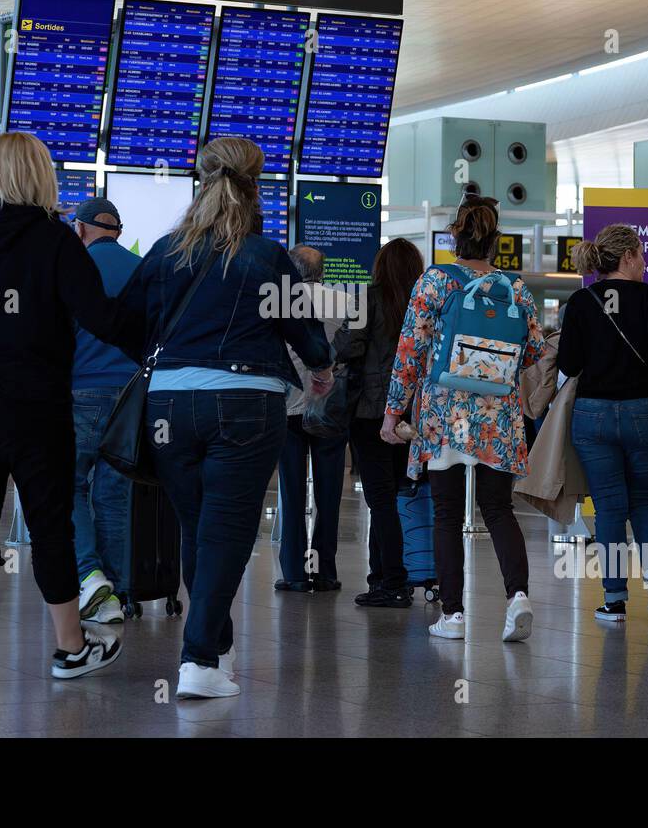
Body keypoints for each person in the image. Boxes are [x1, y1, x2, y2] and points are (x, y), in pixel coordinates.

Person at [118, 137, 332, 699]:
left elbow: (124, 321)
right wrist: (322, 369)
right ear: (256, 185)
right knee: (227, 533)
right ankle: (196, 661)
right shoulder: (265, 255)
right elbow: (305, 332)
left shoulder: (165, 251)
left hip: (168, 406)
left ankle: (216, 648)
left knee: (197, 528)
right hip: (244, 404)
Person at [0, 132, 139, 692]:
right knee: (50, 523)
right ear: (39, 175)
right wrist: (154, 334)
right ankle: (70, 649)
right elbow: (100, 316)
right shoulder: (54, 239)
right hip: (34, 401)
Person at [382, 195, 543, 643]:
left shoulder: (434, 282)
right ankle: (518, 598)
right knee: (499, 510)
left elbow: (409, 352)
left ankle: (452, 615)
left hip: (443, 411)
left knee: (448, 514)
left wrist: (393, 412)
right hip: (498, 413)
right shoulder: (516, 289)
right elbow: (532, 352)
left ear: (455, 235)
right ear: (496, 242)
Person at [557, 223, 648, 622]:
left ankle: (614, 599)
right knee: (644, 501)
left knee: (609, 507)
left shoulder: (580, 302)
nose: (645, 262)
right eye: (642, 255)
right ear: (627, 257)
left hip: (593, 415)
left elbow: (569, 364)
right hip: (644, 411)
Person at [335, 238, 424, 608]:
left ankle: (393, 582)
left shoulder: (366, 299)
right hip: (410, 412)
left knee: (380, 499)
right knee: (395, 496)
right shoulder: (422, 304)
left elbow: (346, 347)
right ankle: (381, 577)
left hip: (370, 411)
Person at [69, 198, 140, 625]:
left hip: (81, 391)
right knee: (114, 494)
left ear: (80, 230)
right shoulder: (142, 267)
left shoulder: (76, 268)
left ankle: (89, 576)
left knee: (68, 486)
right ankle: (119, 591)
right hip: (132, 397)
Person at [275, 244, 351, 593]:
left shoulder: (277, 301)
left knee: (291, 494)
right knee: (329, 493)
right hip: (330, 408)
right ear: (322, 271)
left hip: (288, 406)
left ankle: (293, 571)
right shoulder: (345, 302)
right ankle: (325, 571)